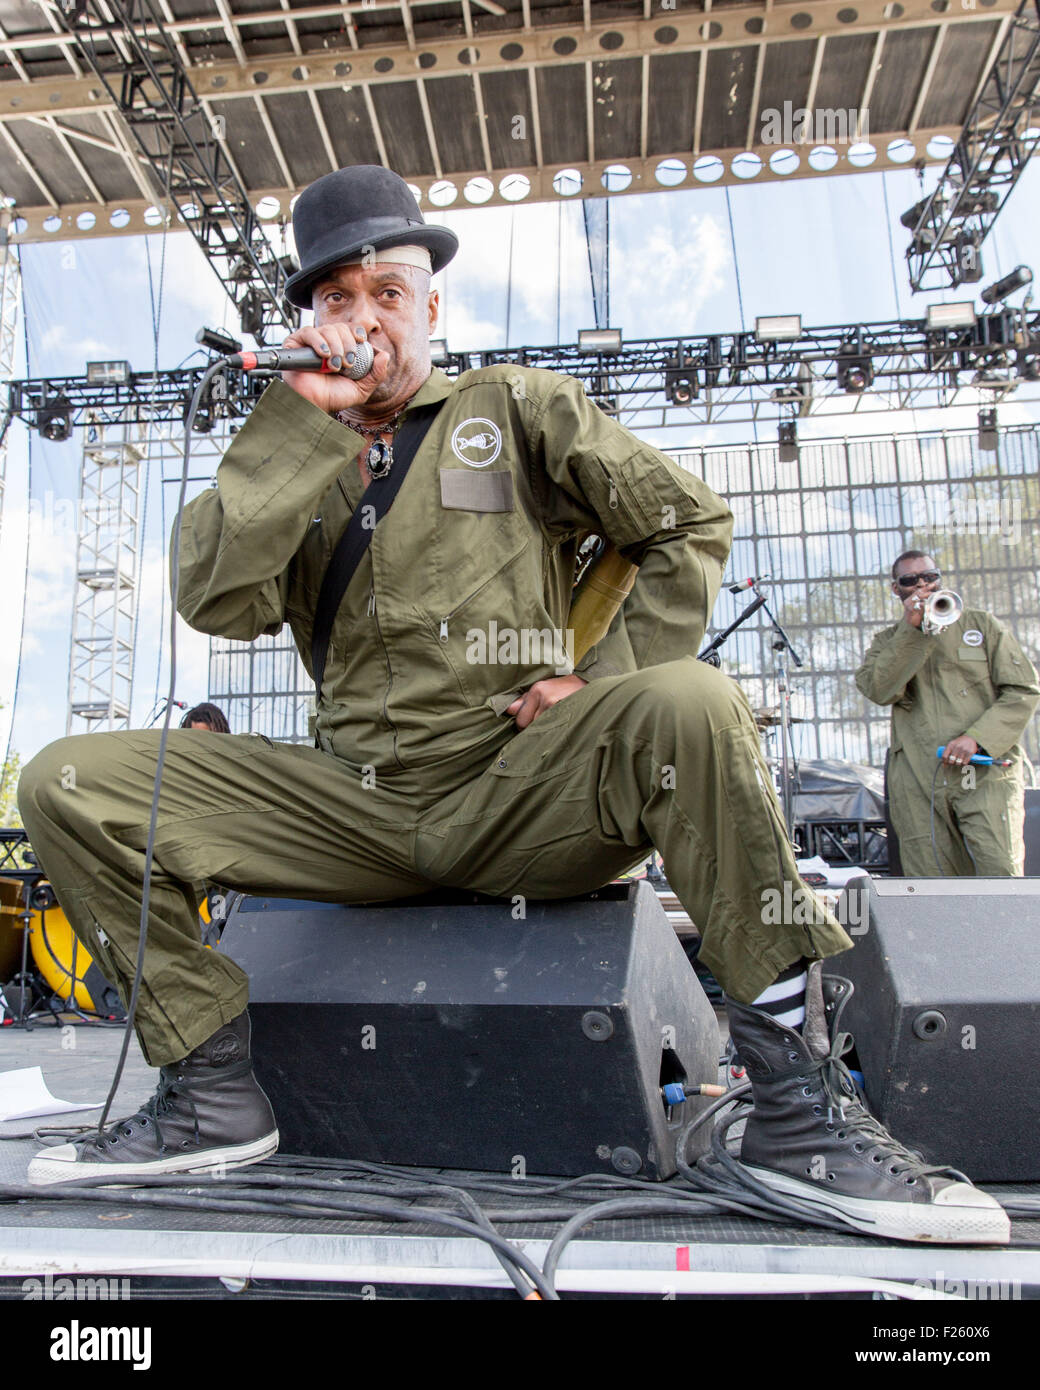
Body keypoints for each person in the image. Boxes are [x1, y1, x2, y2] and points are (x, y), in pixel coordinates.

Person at [16, 168, 1009, 1244]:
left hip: (518, 784)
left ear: (429, 308)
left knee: (690, 700)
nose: (360, 322)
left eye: (385, 293)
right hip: (348, 804)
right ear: (307, 319)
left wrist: (600, 670)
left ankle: (793, 1107)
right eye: (334, 299)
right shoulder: (290, 444)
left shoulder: (514, 405)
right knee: (70, 781)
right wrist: (296, 432)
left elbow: (684, 522)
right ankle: (209, 1089)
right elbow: (211, 596)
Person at [856, 550, 1039, 877]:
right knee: (932, 882)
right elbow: (878, 690)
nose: (922, 585)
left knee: (1000, 872)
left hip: (984, 772)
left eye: (930, 577)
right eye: (910, 580)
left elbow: (1023, 688)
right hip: (919, 776)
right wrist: (911, 633)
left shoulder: (981, 625)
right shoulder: (887, 641)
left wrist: (978, 739)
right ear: (896, 589)